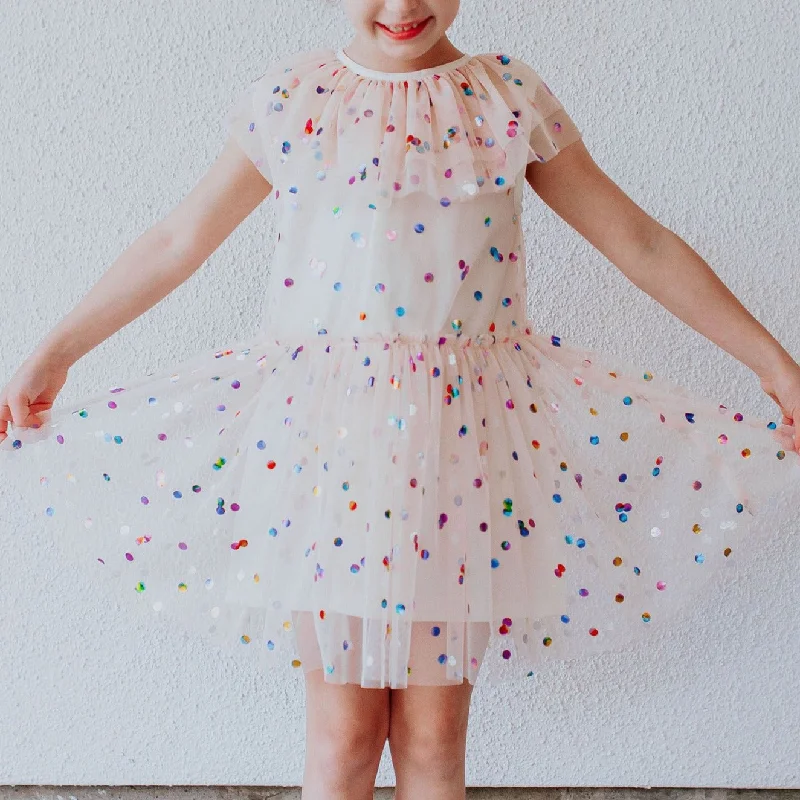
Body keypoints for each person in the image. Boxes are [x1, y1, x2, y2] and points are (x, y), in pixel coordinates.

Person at [2, 1, 800, 798]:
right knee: (344, 738)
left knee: (431, 740)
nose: (402, 6)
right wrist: (54, 351)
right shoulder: (294, 101)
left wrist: (774, 363)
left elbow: (639, 240)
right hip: (330, 452)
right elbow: (179, 238)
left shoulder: (504, 96)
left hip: (463, 450)